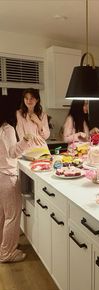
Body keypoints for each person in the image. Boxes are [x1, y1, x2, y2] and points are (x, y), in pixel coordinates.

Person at [0, 105, 39, 262]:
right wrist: (25, 140)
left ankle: (3, 247)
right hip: (7, 176)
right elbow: (13, 152)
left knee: (2, 216)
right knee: (12, 216)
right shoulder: (7, 128)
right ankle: (7, 253)